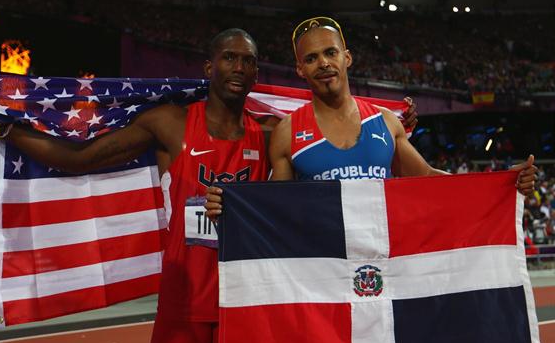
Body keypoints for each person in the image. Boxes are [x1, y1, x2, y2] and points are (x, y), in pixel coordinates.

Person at [0, 28, 273, 343]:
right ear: (208, 67)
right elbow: (79, 159)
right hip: (184, 304)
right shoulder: (171, 123)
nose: (239, 67)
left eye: (248, 61)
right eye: (230, 57)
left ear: (257, 73)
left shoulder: (268, 136)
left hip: (243, 302)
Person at [204, 17, 537, 217]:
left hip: (386, 262)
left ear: (347, 58)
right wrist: (231, 207)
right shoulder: (288, 132)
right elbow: (275, 207)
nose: (323, 63)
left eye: (331, 53)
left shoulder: (385, 123)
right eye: (312, 57)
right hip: (326, 269)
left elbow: (428, 178)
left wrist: (502, 183)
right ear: (300, 69)